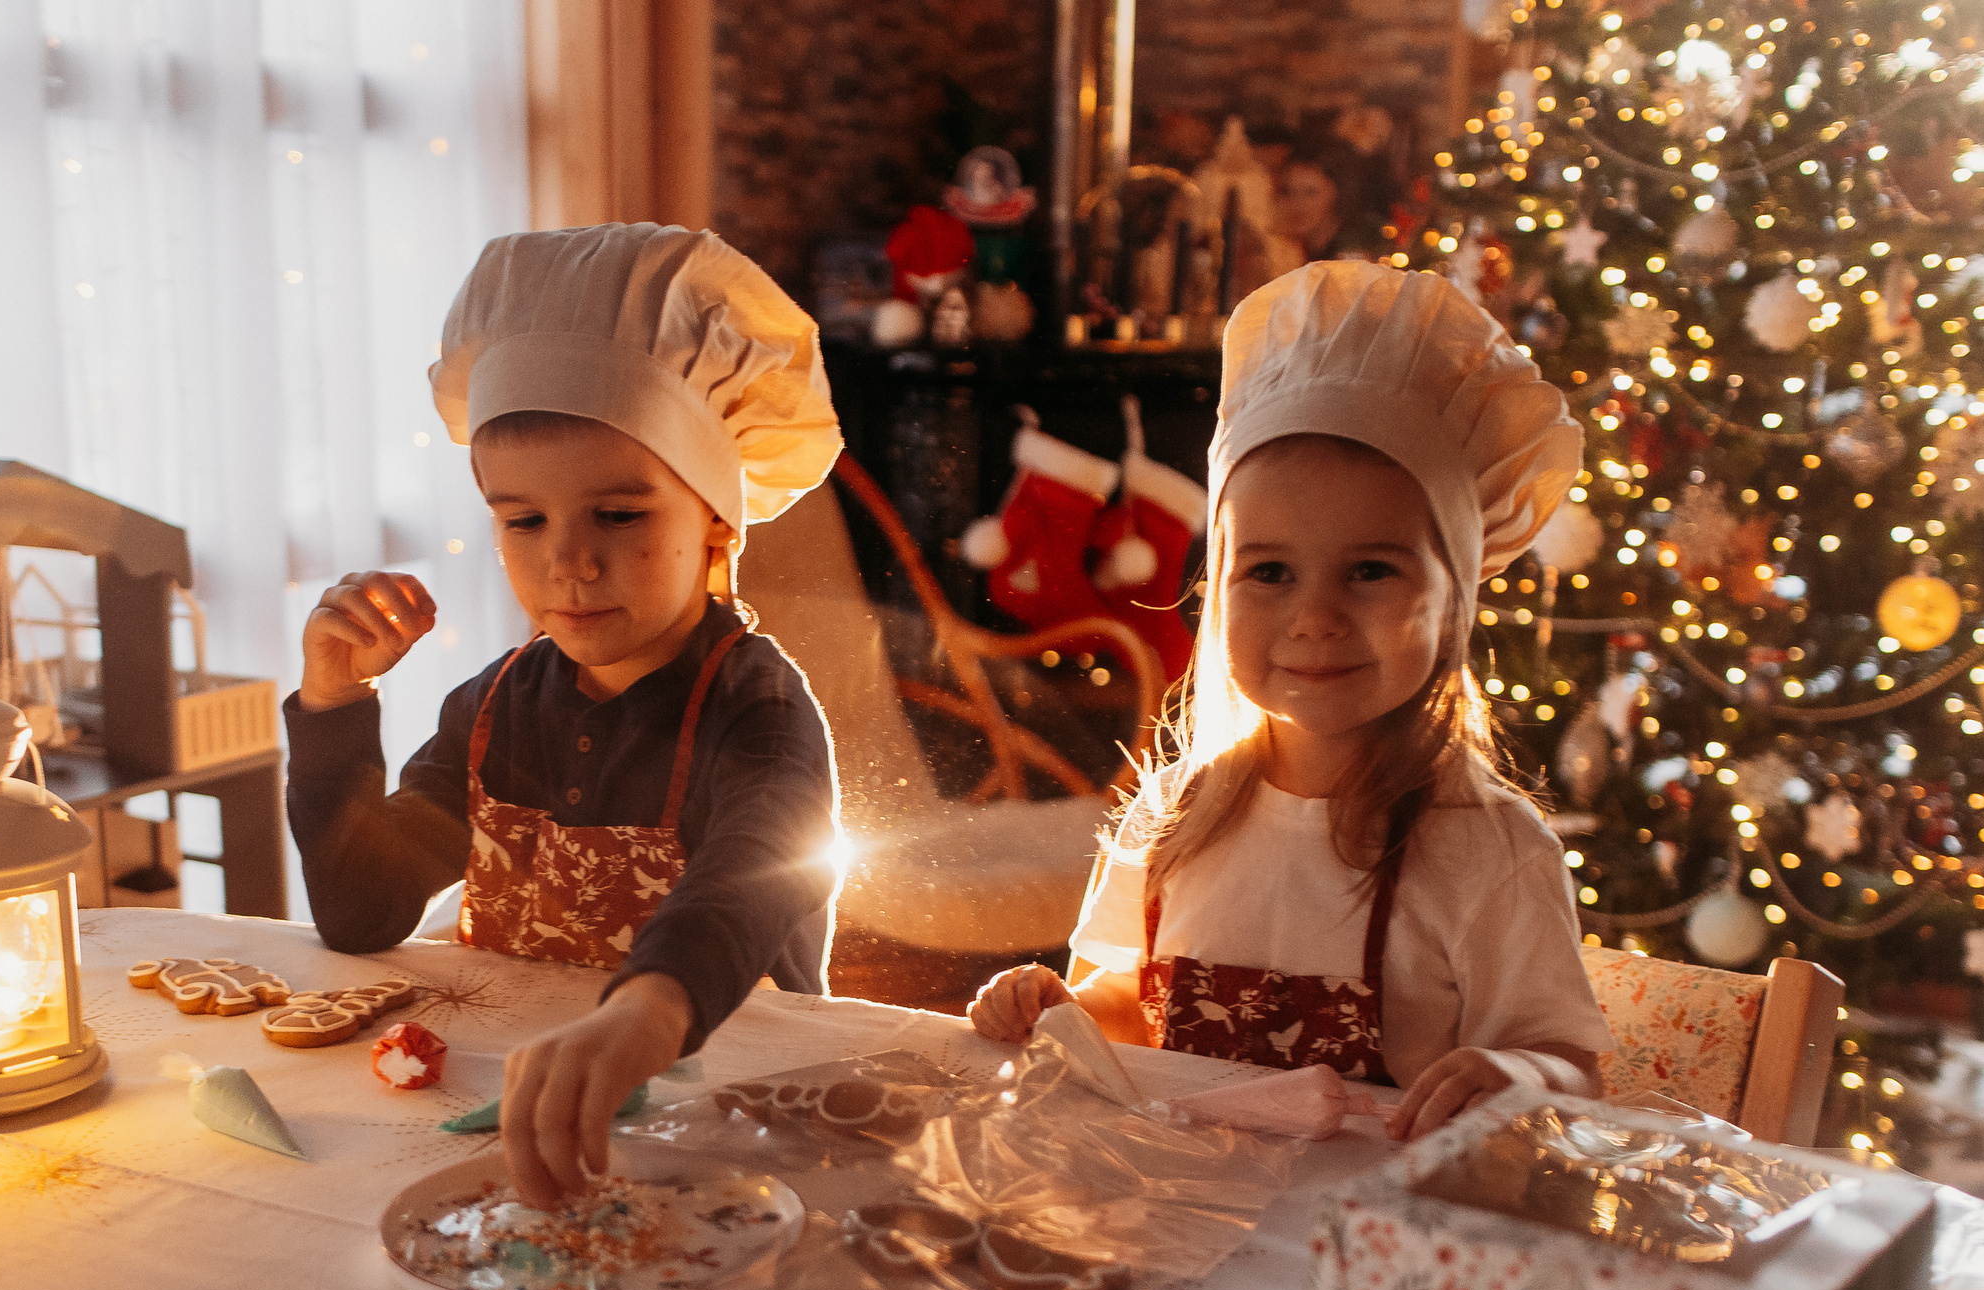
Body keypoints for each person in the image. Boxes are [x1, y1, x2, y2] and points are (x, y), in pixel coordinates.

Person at [969, 261, 1612, 1143]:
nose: (1315, 618)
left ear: (1455, 600)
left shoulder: (1489, 850)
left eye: (1371, 570)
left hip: (1377, 1218)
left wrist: (1520, 1071)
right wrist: (1058, 1008)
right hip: (1175, 1197)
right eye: (1269, 572)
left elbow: (1572, 1065)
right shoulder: (1174, 813)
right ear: (1217, 592)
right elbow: (1124, 1004)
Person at [284, 223, 843, 1207]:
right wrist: (334, 701)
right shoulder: (492, 710)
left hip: (730, 1126)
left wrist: (644, 1015)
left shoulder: (757, 712)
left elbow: (750, 879)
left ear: (717, 518)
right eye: (523, 520)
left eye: (619, 515)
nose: (568, 563)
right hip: (521, 1121)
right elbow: (361, 909)